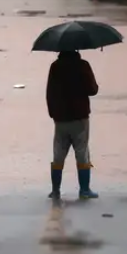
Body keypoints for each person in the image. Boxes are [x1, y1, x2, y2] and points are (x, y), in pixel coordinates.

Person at [45, 49, 99, 199]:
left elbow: (49, 92)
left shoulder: (55, 67)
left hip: (60, 119)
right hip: (79, 117)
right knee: (82, 153)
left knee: (58, 154)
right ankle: (84, 190)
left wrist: (53, 114)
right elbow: (92, 90)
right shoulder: (83, 65)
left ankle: (55, 190)